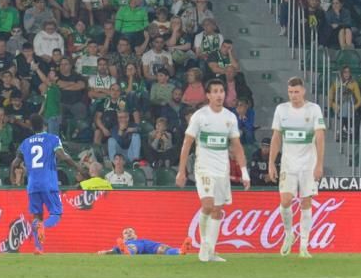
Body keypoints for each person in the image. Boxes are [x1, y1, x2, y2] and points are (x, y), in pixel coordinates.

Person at [176, 78, 250, 263]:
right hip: (203, 168)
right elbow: (187, 143)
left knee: (217, 210)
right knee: (208, 205)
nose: (219, 95)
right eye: (215, 91)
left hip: (222, 170)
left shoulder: (230, 117)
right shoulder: (200, 116)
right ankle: (204, 245)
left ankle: (211, 251)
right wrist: (181, 170)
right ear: (208, 95)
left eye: (221, 91)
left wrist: (244, 171)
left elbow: (237, 146)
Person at [269, 77, 326, 258]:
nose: (294, 95)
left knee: (306, 202)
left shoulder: (313, 109)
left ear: (303, 91)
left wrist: (319, 164)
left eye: (296, 92)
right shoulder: (281, 110)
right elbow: (276, 138)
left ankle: (304, 245)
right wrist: (271, 162)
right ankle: (289, 234)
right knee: (285, 201)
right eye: (291, 92)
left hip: (308, 163)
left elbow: (320, 138)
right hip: (288, 163)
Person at [11, 113, 79, 254]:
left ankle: (38, 248)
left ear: (31, 126)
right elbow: (62, 156)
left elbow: (14, 163)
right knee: (56, 214)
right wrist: (78, 168)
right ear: (44, 125)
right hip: (48, 183)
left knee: (37, 216)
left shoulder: (25, 143)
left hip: (32, 185)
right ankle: (43, 226)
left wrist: (13, 178)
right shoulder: (53, 139)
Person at [98, 227, 192, 256]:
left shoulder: (143, 240)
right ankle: (128, 252)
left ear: (135, 235)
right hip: (131, 246)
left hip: (147, 244)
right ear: (123, 238)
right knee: (133, 247)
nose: (129, 233)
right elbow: (113, 251)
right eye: (126, 233)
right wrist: (105, 252)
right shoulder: (124, 243)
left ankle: (180, 251)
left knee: (162, 248)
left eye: (131, 231)